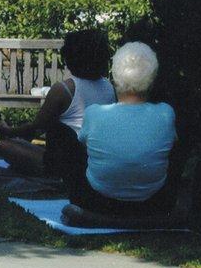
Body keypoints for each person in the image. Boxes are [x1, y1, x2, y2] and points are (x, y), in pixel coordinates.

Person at [74, 41, 180, 216]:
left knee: (63, 135)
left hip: (98, 201)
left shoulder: (93, 113)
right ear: (152, 80)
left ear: (114, 78)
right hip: (155, 203)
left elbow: (85, 150)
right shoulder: (166, 113)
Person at [0, 29, 116, 179]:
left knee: (7, 146)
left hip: (67, 166)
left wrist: (7, 131)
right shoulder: (109, 87)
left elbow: (35, 129)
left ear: (72, 57)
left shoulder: (65, 89)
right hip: (99, 163)